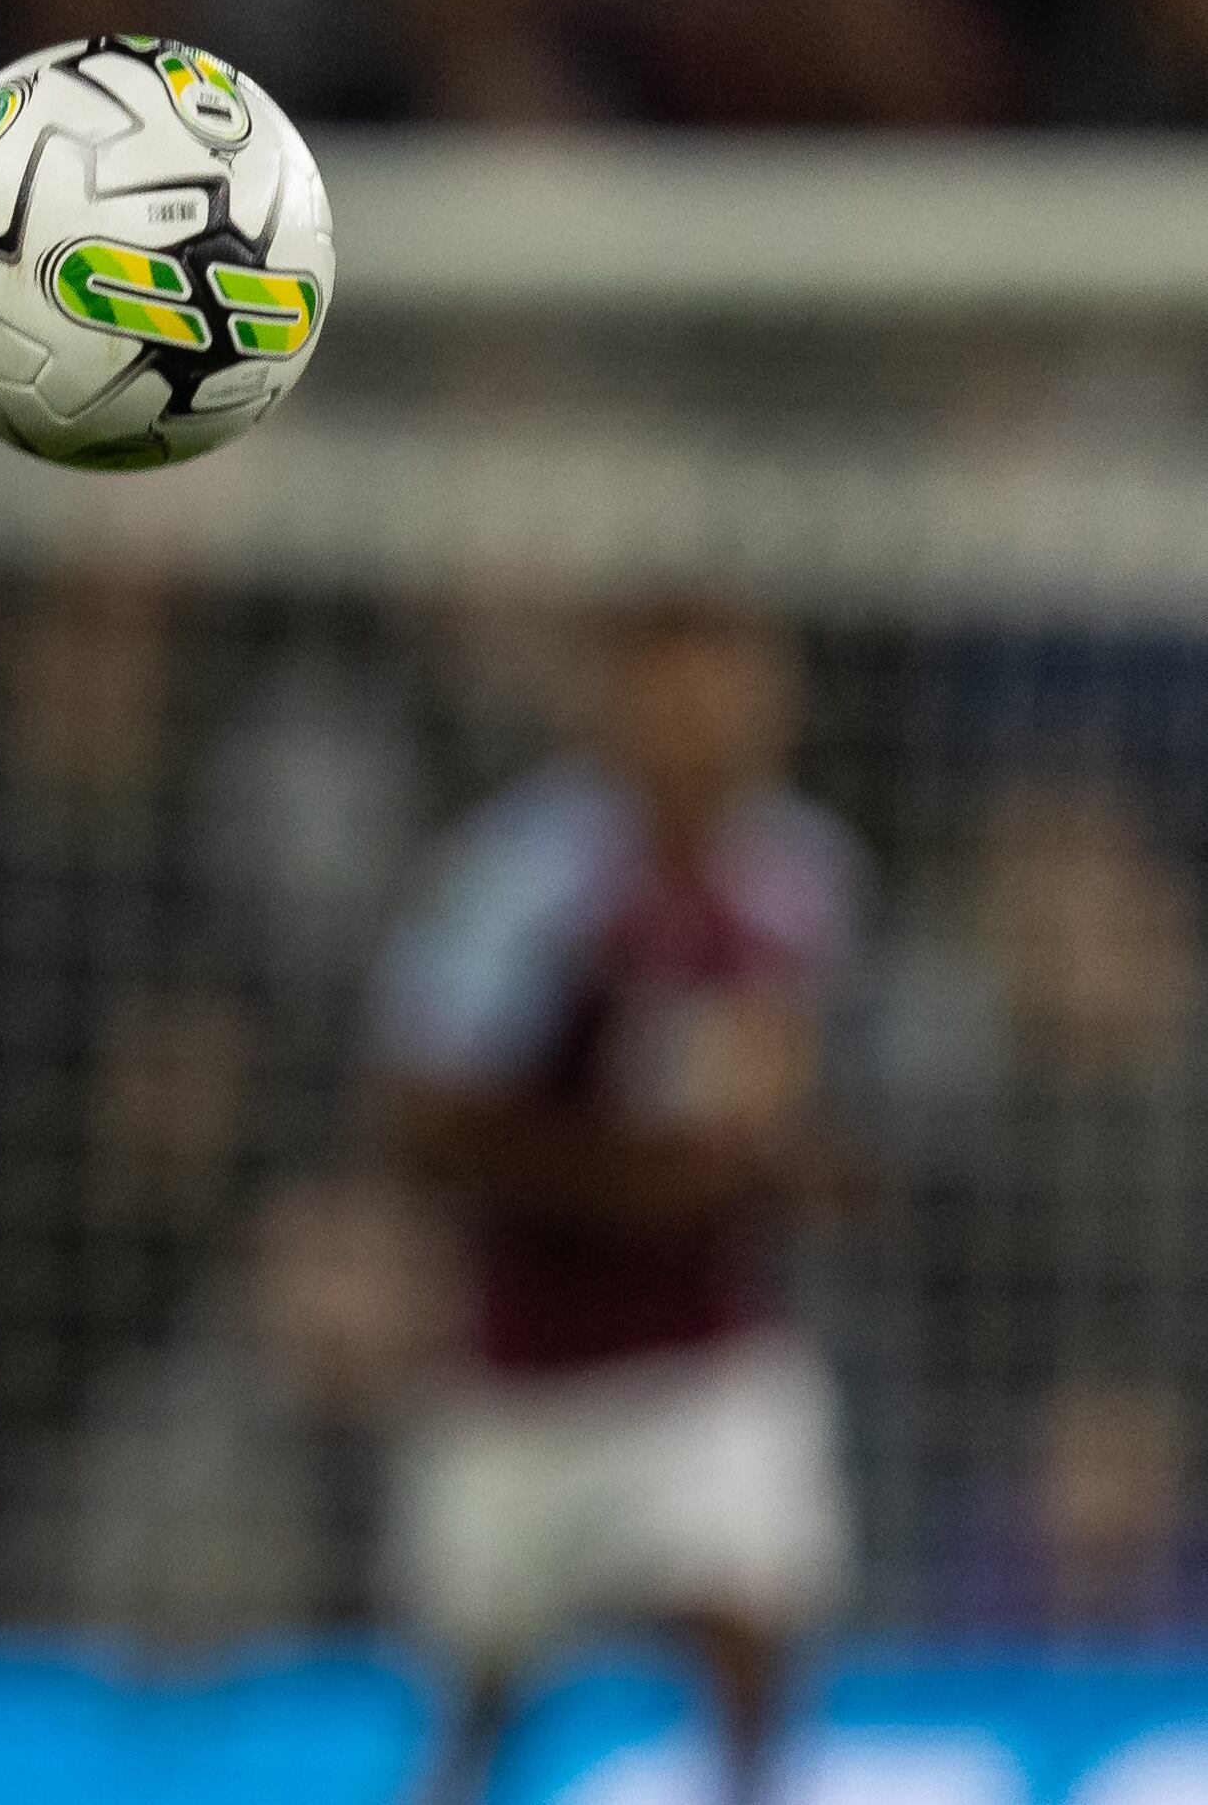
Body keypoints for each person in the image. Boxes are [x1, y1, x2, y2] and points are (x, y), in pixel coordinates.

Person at [374, 599, 862, 1805]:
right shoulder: (518, 876)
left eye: (734, 697)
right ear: (612, 707)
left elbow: (811, 1088)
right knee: (481, 1678)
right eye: (677, 697)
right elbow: (418, 1109)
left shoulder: (805, 876)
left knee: (749, 1602)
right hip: (523, 1357)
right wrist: (616, 1178)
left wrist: (795, 1163)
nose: (708, 728)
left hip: (707, 1342)